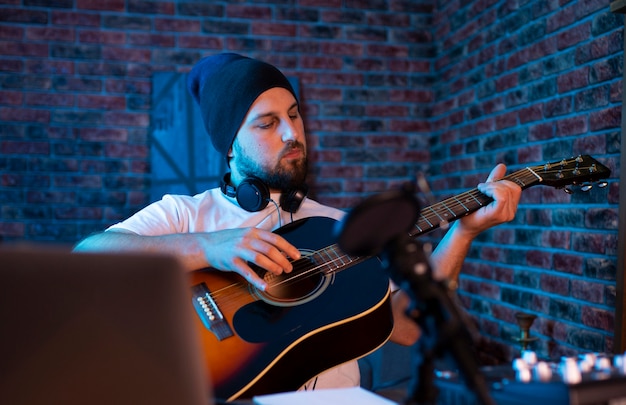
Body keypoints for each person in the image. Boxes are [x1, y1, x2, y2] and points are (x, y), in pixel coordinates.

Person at [74, 53, 522, 393]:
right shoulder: (184, 215)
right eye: (267, 123)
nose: (292, 133)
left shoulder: (339, 228)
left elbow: (407, 326)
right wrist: (209, 246)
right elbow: (89, 258)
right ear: (230, 148)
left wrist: (462, 232)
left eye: (294, 115)